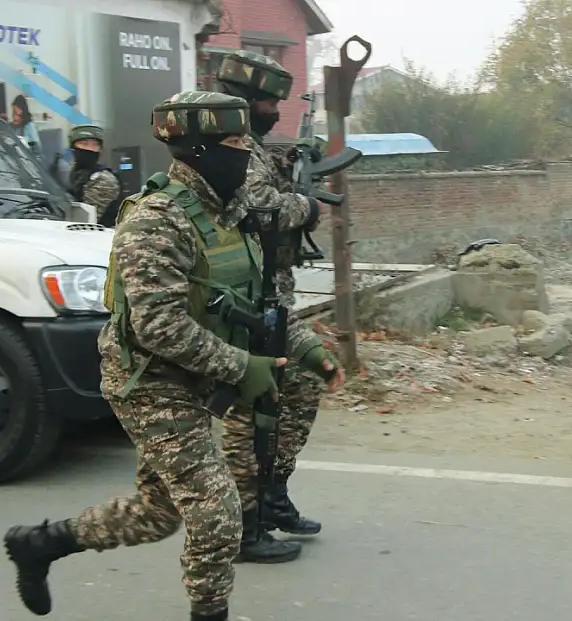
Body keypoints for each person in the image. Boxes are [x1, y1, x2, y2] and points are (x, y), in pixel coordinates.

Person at [2, 90, 287, 621]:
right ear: (199, 149)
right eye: (233, 141)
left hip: (195, 373)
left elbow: (253, 300)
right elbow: (159, 325)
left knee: (158, 512)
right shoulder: (156, 218)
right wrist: (239, 367)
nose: (246, 149)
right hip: (150, 379)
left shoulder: (232, 211)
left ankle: (39, 545)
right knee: (217, 511)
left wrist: (302, 351)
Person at [215, 49, 345, 564]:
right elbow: (261, 209)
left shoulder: (258, 149)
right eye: (269, 100)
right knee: (251, 409)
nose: (276, 109)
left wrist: (297, 170)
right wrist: (307, 204)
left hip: (275, 288)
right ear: (245, 102)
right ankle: (245, 522)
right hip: (248, 293)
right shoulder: (233, 150)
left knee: (301, 388)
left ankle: (273, 494)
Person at [65, 124, 122, 225]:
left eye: (95, 145)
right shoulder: (73, 174)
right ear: (73, 147)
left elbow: (83, 220)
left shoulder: (104, 179)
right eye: (84, 144)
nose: (90, 149)